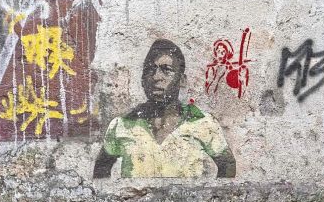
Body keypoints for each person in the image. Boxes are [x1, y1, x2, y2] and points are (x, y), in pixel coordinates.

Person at [93, 39, 236, 179]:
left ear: (182, 80)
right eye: (150, 70)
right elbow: (101, 167)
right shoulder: (122, 125)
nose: (156, 77)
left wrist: (212, 200)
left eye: (166, 70)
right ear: (143, 80)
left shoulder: (203, 123)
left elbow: (228, 165)